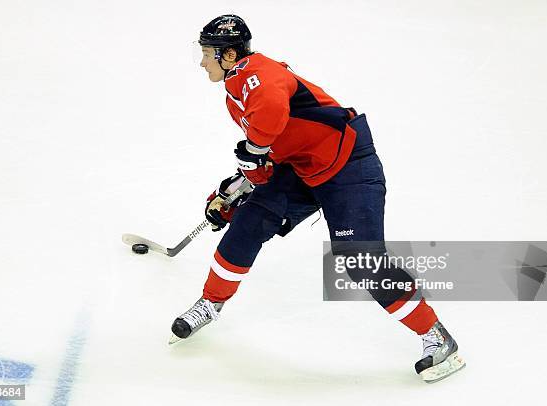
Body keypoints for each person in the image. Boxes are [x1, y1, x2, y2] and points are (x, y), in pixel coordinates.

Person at [170, 14, 465, 383]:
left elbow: (270, 118)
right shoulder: (236, 87)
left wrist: (253, 154)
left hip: (348, 164)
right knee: (247, 223)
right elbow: (274, 144)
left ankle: (436, 336)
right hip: (302, 166)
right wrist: (238, 186)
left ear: (228, 54)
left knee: (362, 260)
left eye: (207, 53)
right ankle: (210, 303)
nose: (202, 62)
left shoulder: (256, 74)